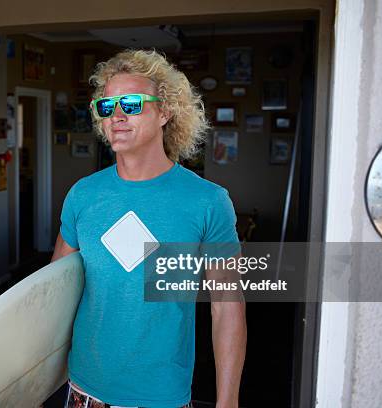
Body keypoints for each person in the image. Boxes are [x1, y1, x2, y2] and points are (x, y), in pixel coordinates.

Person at [51, 49, 246, 408]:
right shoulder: (83, 195)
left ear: (165, 112)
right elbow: (52, 293)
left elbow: (227, 306)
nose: (117, 116)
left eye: (132, 103)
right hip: (83, 392)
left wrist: (228, 400)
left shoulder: (207, 201)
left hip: (160, 396)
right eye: (107, 107)